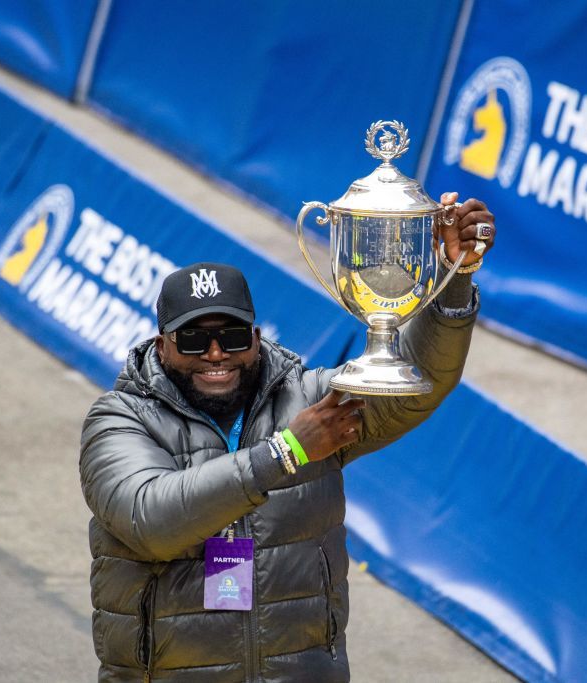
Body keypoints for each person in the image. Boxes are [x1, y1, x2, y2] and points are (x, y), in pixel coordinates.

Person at [79, 193, 496, 682]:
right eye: (193, 339)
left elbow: (419, 380)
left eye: (232, 337)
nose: (215, 355)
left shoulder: (312, 401)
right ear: (161, 344)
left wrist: (454, 278)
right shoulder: (119, 420)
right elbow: (149, 519)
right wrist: (288, 451)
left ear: (257, 337)